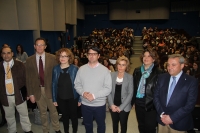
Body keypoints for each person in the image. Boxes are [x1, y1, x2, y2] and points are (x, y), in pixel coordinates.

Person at [154, 54, 198, 133]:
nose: (169, 67)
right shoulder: (162, 78)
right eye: (168, 65)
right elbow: (156, 97)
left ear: (182, 66)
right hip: (162, 120)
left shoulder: (191, 81)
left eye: (173, 65)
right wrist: (162, 114)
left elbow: (190, 105)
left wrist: (172, 118)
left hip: (179, 122)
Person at [26, 37, 61, 133]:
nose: (40, 47)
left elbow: (57, 75)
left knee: (53, 111)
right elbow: (28, 79)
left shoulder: (53, 58)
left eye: (42, 45)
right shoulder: (29, 60)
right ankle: (46, 130)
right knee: (42, 113)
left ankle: (57, 128)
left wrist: (57, 91)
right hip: (37, 90)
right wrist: (30, 94)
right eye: (38, 45)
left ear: (45, 46)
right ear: (34, 46)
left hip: (50, 89)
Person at [74, 46, 112, 133]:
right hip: (85, 104)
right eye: (89, 54)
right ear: (87, 55)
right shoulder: (81, 69)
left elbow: (108, 88)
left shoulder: (105, 70)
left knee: (101, 125)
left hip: (99, 105)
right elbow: (77, 84)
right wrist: (83, 93)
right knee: (87, 125)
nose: (91, 56)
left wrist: (94, 96)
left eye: (94, 54)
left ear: (98, 56)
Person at [0, 46, 33, 133]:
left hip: (19, 95)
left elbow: (27, 80)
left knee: (24, 114)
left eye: (8, 53)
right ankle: (12, 130)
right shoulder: (0, 66)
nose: (6, 55)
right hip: (5, 97)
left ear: (12, 54)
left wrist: (29, 94)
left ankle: (27, 130)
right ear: (1, 55)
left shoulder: (20, 65)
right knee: (9, 116)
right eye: (4, 53)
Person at [132, 48, 163, 133]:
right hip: (139, 103)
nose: (146, 58)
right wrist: (133, 101)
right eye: (144, 56)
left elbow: (161, 91)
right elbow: (134, 87)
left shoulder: (159, 72)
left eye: (149, 56)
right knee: (141, 126)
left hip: (151, 105)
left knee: (150, 128)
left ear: (153, 59)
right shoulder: (137, 70)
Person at [52, 48, 80, 133]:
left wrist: (80, 99)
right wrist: (54, 99)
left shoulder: (75, 69)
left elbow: (80, 85)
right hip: (61, 98)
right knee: (65, 117)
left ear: (69, 58)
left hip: (73, 97)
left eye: (65, 56)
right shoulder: (55, 69)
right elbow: (53, 84)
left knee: (74, 116)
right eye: (61, 56)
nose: (62, 58)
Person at [108, 56, 133, 133]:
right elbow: (108, 91)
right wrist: (111, 104)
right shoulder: (111, 75)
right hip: (113, 105)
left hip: (124, 106)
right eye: (119, 64)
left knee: (123, 124)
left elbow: (130, 94)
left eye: (123, 65)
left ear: (126, 66)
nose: (121, 67)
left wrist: (121, 107)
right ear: (116, 65)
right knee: (115, 124)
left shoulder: (129, 77)